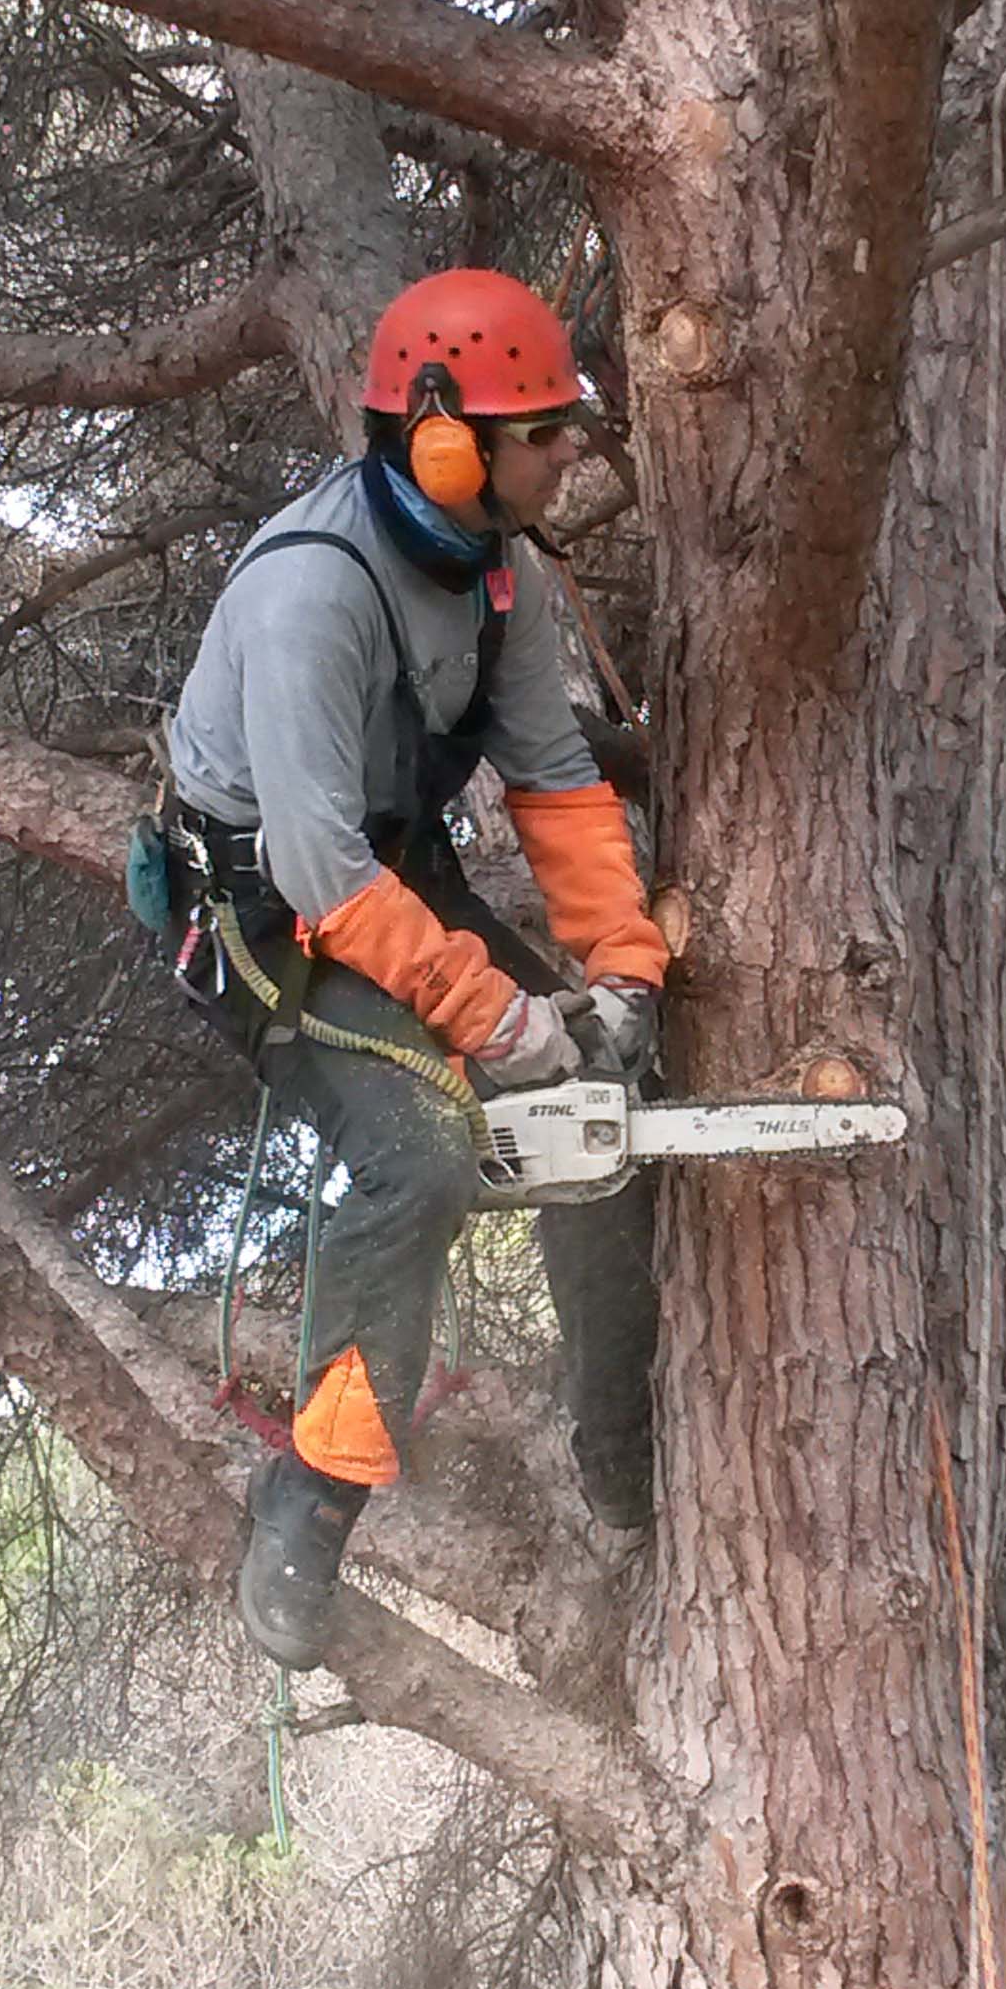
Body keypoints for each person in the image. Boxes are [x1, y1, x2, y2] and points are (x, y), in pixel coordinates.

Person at [161, 266, 668, 1669]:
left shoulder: (498, 563)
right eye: (545, 428)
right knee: (427, 1153)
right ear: (447, 437)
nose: (573, 447)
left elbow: (554, 778)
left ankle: (623, 1459)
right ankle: (312, 1493)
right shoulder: (310, 595)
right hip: (264, 918)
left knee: (602, 1111)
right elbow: (321, 874)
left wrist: (618, 973)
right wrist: (496, 1017)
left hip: (391, 875)